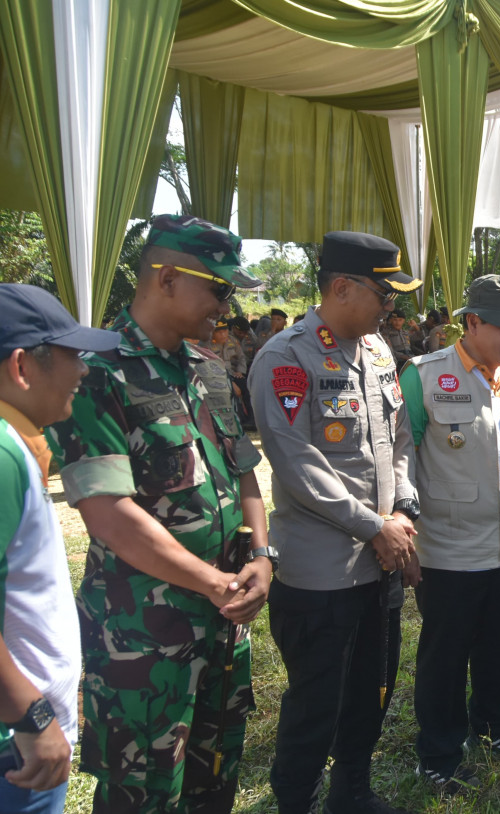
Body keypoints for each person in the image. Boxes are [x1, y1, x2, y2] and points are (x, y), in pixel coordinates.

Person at [46, 214, 271, 812]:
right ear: (168, 277)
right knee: (143, 791)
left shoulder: (209, 371)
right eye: (219, 290)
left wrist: (262, 558)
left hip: (223, 621)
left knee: (214, 773)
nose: (225, 308)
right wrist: (216, 582)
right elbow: (109, 514)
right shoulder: (98, 372)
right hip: (143, 635)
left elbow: (245, 472)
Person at [250, 230, 421, 814]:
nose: (391, 306)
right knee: (316, 703)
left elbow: (399, 441)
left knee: (373, 690)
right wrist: (373, 525)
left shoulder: (377, 352)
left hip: (383, 560)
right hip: (322, 573)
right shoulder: (286, 356)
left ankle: (352, 792)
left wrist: (400, 511)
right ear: (342, 287)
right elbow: (295, 461)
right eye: (384, 292)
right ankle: (296, 800)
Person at [399, 275, 500, 793]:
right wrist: (407, 535)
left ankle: (494, 725)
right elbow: (401, 461)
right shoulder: (423, 376)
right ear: (472, 322)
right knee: (445, 654)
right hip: (448, 548)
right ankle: (440, 753)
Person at [0, 285, 118, 813]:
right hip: (17, 744)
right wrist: (32, 717)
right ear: (23, 367)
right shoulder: (3, 452)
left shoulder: (19, 445)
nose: (84, 372)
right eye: (72, 357)